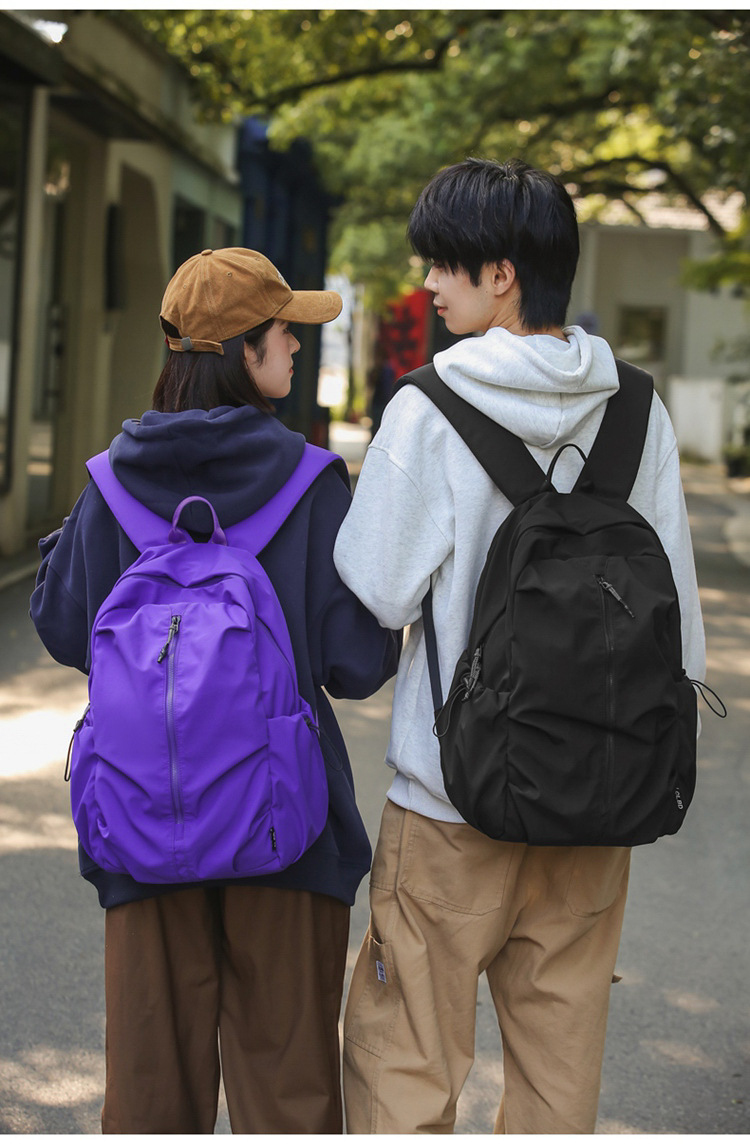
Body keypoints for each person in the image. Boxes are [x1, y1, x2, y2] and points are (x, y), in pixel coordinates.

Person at [333, 159, 706, 1134]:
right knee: (556, 1084)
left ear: (501, 275)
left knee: (404, 1068)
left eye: (444, 264)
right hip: (597, 802)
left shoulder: (429, 406)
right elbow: (675, 616)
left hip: (452, 803)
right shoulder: (637, 407)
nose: (429, 283)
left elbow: (377, 585)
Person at [30, 247, 400, 1135]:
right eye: (284, 330)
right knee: (290, 1095)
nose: (297, 346)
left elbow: (64, 626)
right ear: (242, 350)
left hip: (142, 825)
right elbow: (355, 663)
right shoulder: (311, 482)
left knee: (151, 1098)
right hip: (287, 831)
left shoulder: (110, 483)